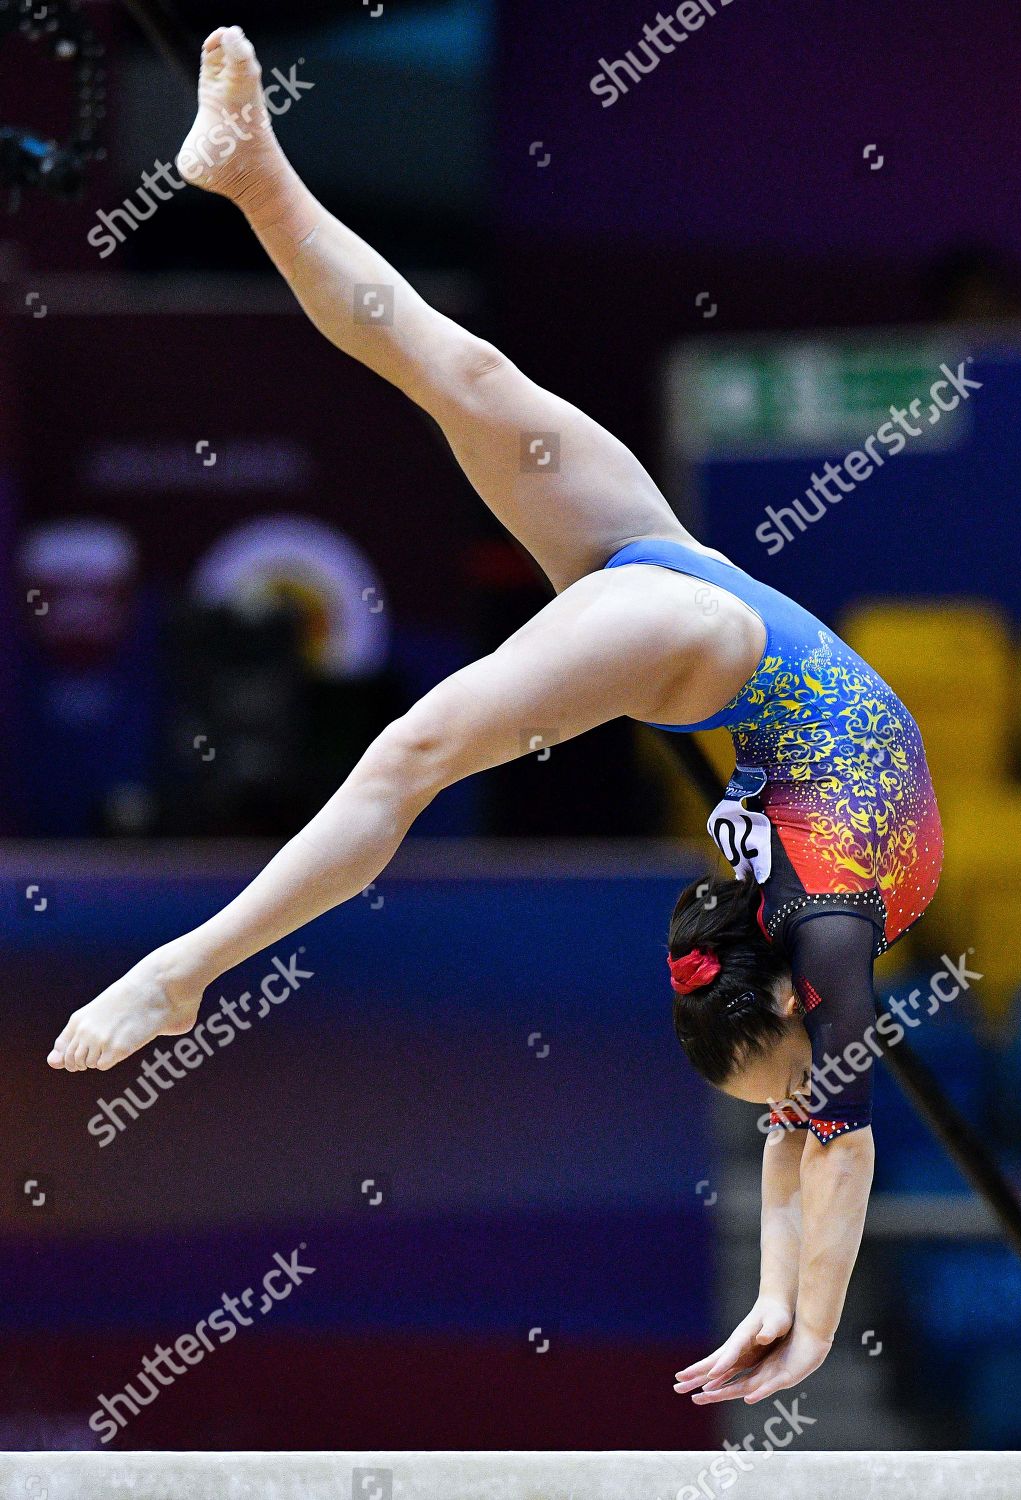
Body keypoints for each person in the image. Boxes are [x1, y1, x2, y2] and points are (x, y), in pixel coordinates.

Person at [48, 27, 943, 1407]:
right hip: (698, 640)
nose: (784, 1104)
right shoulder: (830, 922)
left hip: (693, 600)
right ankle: (192, 966)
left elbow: (797, 1131)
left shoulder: (813, 939)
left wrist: (771, 1295)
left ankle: (251, 171)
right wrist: (811, 1331)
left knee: (451, 370)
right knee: (408, 753)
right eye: (778, 1079)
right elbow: (835, 1139)